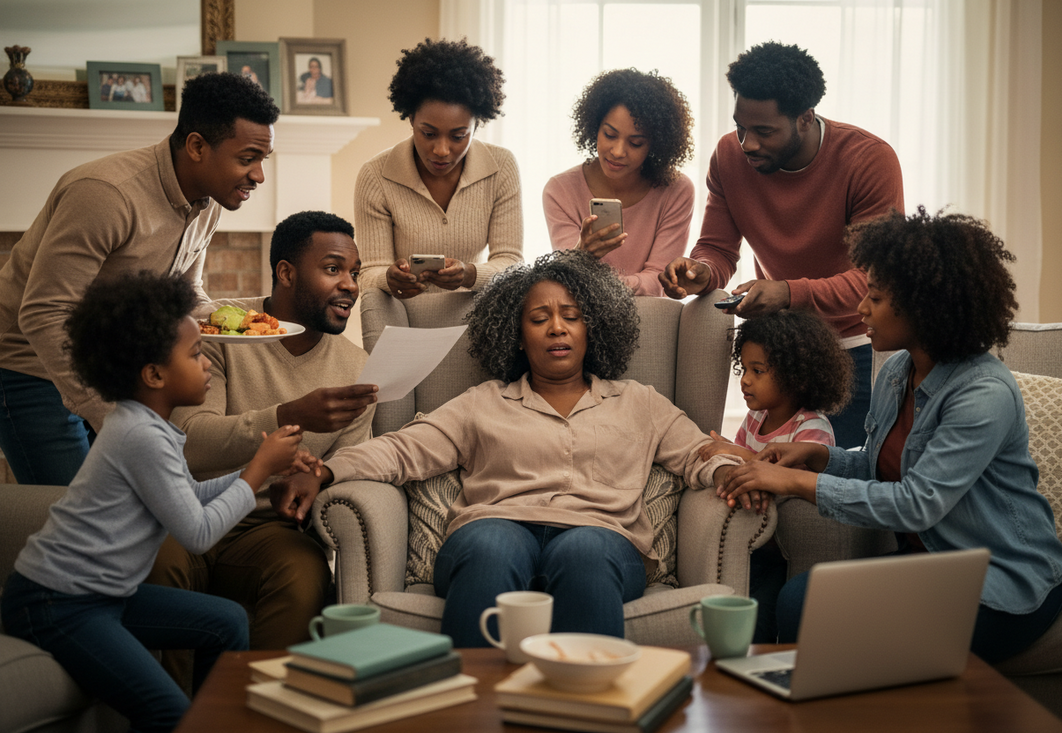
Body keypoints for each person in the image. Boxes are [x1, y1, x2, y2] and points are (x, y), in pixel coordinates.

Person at [271, 250, 744, 644]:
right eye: (539, 319)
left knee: (584, 553)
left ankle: (586, 710)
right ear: (517, 336)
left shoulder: (638, 401)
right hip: (494, 527)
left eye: (571, 317)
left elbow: (697, 452)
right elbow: (400, 451)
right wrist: (325, 471)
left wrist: (729, 472)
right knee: (491, 546)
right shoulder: (483, 403)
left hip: (600, 535)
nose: (557, 328)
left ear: (591, 328)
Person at [718, 207, 1062, 664]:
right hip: (932, 563)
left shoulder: (983, 394)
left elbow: (917, 503)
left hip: (1002, 579)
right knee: (798, 601)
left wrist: (796, 483)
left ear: (922, 307)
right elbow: (878, 466)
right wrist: (816, 456)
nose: (860, 308)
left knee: (818, 617)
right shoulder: (896, 372)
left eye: (875, 298)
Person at [0, 271, 309, 732]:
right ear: (154, 374)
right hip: (55, 603)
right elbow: (197, 533)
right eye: (196, 354)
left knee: (224, 622)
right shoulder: (139, 435)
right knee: (164, 711)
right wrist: (257, 469)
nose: (207, 364)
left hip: (101, 597)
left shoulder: (150, 427)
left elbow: (188, 496)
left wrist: (263, 474)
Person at [0, 71, 279, 487]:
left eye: (263, 160)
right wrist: (113, 414)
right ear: (197, 146)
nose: (258, 175)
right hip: (28, 364)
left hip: (107, 366)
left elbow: (186, 297)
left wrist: (261, 317)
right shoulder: (105, 193)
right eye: (247, 158)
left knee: (130, 507)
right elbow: (44, 312)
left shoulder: (209, 202)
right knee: (81, 520)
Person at [145, 211, 378, 672]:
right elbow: (190, 442)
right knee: (158, 560)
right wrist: (289, 416)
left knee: (304, 576)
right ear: (286, 273)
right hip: (187, 509)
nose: (350, 284)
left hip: (268, 529)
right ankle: (174, 716)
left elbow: (351, 458)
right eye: (333, 269)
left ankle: (253, 712)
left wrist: (316, 478)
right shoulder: (220, 329)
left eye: (353, 272)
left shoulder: (358, 367)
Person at [659, 41, 904, 449]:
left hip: (859, 350)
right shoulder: (728, 157)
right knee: (769, 486)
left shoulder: (868, 160)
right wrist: (699, 273)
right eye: (741, 126)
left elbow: (873, 281)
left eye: (764, 131)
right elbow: (717, 251)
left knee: (841, 490)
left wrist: (788, 293)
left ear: (805, 118)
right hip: (781, 353)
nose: (747, 143)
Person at [699, 309, 852, 642]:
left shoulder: (811, 427)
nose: (745, 380)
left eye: (758, 371)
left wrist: (741, 455)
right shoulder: (755, 418)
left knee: (763, 620)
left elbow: (793, 482)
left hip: (786, 546)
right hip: (754, 541)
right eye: (744, 368)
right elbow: (743, 464)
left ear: (795, 376)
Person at [355, 37, 523, 300]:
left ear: (476, 125)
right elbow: (368, 274)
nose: (442, 150)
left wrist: (469, 274)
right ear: (411, 119)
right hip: (401, 317)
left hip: (477, 317)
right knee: (374, 298)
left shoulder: (501, 167)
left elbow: (511, 263)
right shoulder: (376, 176)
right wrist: (389, 278)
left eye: (458, 136)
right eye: (429, 133)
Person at [543, 68, 694, 296]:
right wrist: (579, 255)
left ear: (655, 144)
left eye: (635, 143)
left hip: (650, 317)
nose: (618, 151)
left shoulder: (676, 190)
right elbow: (568, 282)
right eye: (610, 135)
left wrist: (596, 280)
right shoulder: (560, 190)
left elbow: (659, 281)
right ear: (594, 128)